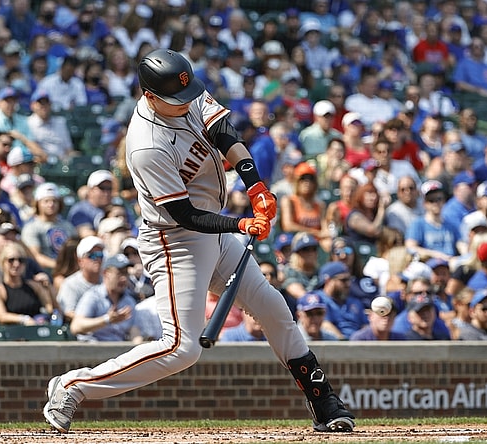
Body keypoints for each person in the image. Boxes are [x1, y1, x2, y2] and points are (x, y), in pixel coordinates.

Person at [43, 49, 354, 435]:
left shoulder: (183, 88)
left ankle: (323, 399)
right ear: (150, 97)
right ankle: (72, 386)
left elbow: (225, 133)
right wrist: (242, 223)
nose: (187, 103)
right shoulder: (145, 145)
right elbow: (185, 215)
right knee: (181, 348)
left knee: (272, 307)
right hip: (176, 241)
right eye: (176, 100)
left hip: (216, 229)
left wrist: (254, 184)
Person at [69, 254, 142, 343]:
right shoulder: (93, 296)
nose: (123, 278)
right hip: (92, 350)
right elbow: (76, 326)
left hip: (118, 351)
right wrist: (107, 320)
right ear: (106, 273)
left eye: (125, 273)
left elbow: (134, 332)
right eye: (119, 273)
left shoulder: (129, 301)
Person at [0, 241, 55, 325]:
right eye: (11, 260)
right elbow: (1, 316)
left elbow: (51, 309)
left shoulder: (34, 286)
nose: (16, 264)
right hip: (13, 334)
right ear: (3, 262)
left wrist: (48, 287)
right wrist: (24, 319)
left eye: (21, 260)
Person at [56, 236, 105, 321]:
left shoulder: (106, 280)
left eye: (100, 255)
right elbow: (69, 313)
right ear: (80, 261)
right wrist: (96, 322)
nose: (97, 259)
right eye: (92, 256)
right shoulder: (71, 284)